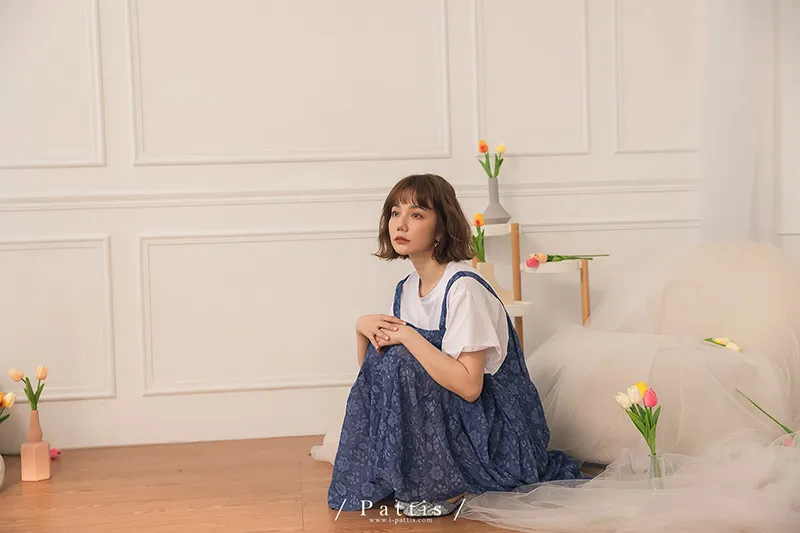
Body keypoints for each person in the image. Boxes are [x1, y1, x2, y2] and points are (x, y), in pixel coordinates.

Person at [326, 173, 583, 518]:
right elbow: (381, 379)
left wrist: (409, 336)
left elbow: (470, 387)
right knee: (396, 358)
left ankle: (436, 485)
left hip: (493, 433)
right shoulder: (406, 289)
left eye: (416, 214)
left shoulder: (464, 288)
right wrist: (362, 330)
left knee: (404, 354)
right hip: (447, 422)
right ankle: (421, 478)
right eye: (395, 213)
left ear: (441, 228)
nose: (401, 223)